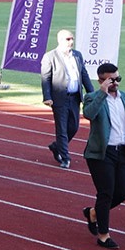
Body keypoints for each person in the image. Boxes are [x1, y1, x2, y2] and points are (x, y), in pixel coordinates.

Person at [81, 63, 125, 250]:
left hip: (122, 152)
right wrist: (101, 93)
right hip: (101, 154)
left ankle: (93, 213)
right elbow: (89, 114)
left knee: (122, 193)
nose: (116, 82)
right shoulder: (92, 98)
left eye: (118, 78)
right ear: (102, 80)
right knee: (106, 193)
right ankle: (103, 235)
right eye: (112, 80)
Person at [41, 29, 94, 168]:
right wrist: (47, 96)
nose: (71, 42)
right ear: (60, 40)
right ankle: (65, 157)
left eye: (72, 39)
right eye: (68, 39)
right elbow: (46, 78)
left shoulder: (77, 55)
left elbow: (84, 74)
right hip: (59, 98)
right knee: (62, 129)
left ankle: (56, 146)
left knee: (74, 127)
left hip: (75, 98)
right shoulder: (50, 56)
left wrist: (92, 93)